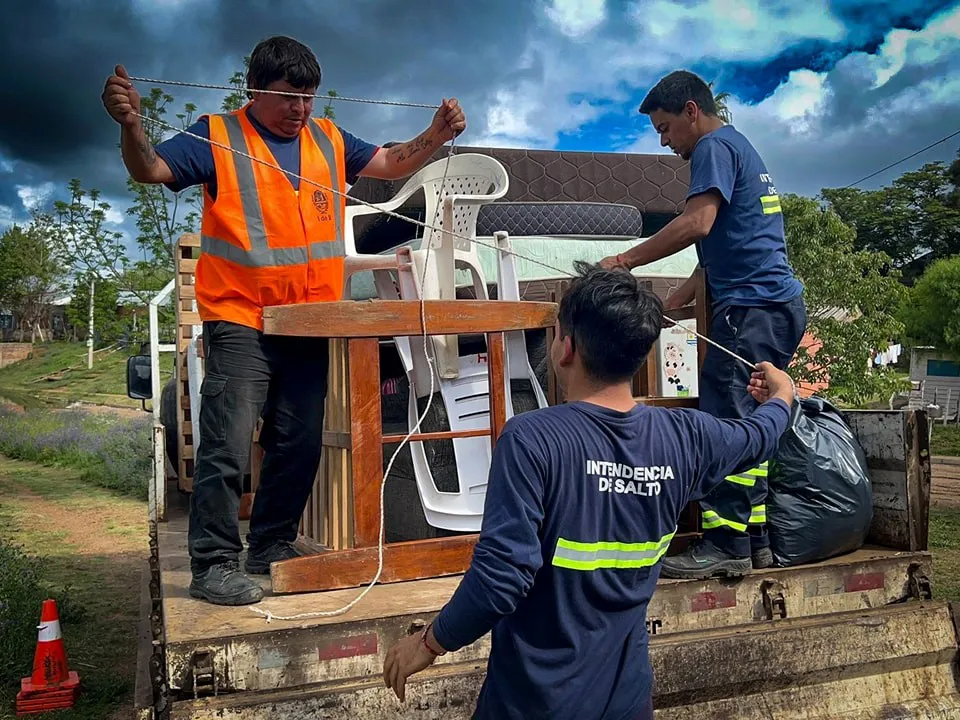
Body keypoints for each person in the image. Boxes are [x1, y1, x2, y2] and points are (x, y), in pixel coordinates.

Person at [101, 35, 466, 606]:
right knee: (225, 444)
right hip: (241, 318)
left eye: (308, 97)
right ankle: (213, 562)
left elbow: (392, 163)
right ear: (254, 90)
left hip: (307, 323)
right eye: (287, 97)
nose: (300, 109)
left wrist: (436, 136)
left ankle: (269, 545)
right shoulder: (215, 135)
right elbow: (149, 168)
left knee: (298, 443)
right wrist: (130, 125)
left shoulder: (328, 138)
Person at [381, 262, 797, 719]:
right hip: (625, 702)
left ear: (566, 348)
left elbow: (502, 579)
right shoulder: (686, 436)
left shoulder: (532, 439)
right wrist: (783, 397)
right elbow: (756, 438)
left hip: (533, 705)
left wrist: (429, 642)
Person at [598, 69, 807, 579]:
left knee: (727, 423)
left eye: (666, 128)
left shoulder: (714, 147)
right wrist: (677, 300)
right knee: (753, 420)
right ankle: (754, 541)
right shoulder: (740, 147)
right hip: (773, 306)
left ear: (693, 111)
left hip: (749, 309)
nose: (666, 142)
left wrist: (624, 261)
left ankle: (724, 544)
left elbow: (698, 224)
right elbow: (715, 252)